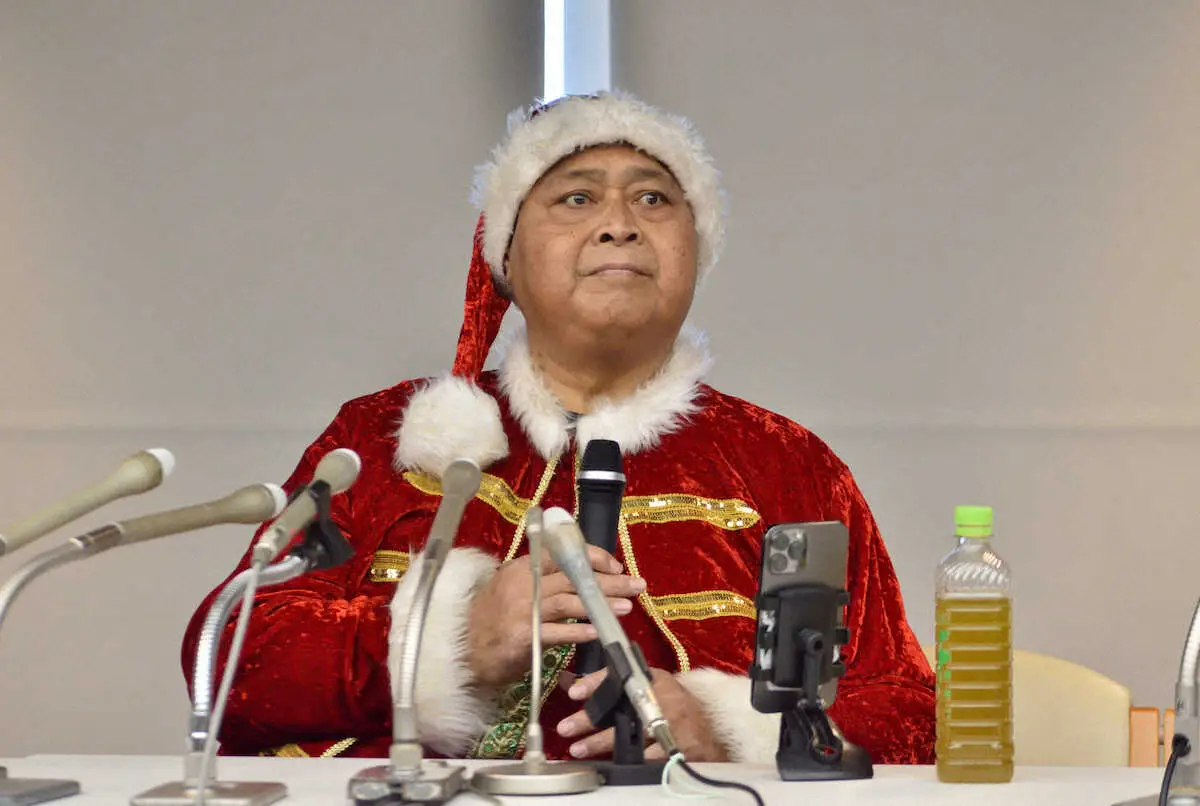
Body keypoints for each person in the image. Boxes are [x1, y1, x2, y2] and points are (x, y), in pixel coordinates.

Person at [181, 90, 936, 765]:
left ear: (696, 251)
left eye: (653, 199)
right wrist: (454, 643)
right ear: (505, 258)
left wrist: (728, 726)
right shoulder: (380, 438)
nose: (619, 226)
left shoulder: (783, 462)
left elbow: (908, 705)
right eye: (576, 198)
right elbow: (227, 658)